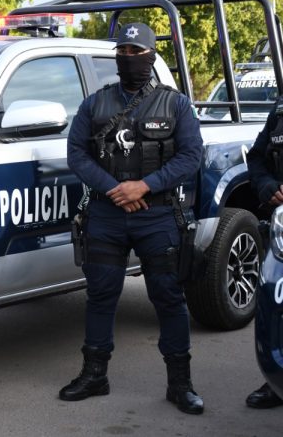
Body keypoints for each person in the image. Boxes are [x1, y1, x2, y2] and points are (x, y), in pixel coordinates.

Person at [64, 22, 204, 414]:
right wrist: (115, 188)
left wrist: (144, 186)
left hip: (157, 214)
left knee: (168, 297)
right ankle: (95, 375)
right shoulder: (95, 104)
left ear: (151, 56)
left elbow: (192, 155)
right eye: (123, 53)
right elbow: (77, 153)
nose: (129, 59)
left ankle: (180, 384)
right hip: (107, 214)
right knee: (101, 294)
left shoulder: (175, 104)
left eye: (136, 53)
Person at [242, 99, 283, 410]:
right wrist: (268, 186)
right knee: (275, 308)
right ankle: (277, 379)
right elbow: (257, 158)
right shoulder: (280, 110)